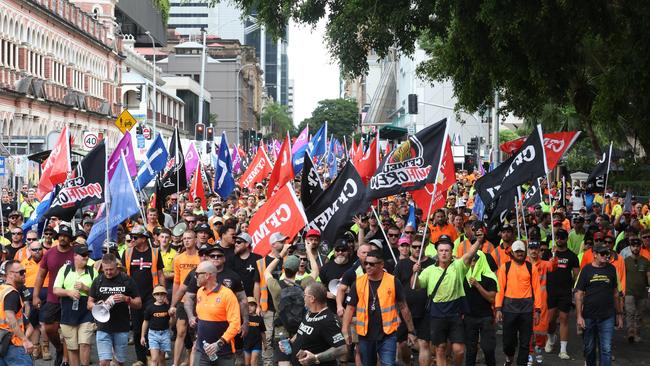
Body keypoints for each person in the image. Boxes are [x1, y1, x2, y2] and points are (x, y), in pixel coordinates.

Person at [414, 232, 482, 366]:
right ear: (437, 253)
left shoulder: (457, 266)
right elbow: (416, 286)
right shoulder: (429, 270)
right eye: (441, 250)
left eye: (447, 250)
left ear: (451, 252)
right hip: (436, 314)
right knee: (440, 349)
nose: (444, 253)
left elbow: (469, 255)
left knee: (459, 350)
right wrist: (414, 272)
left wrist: (479, 241)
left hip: (454, 314)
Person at [343, 250, 417, 366]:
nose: (367, 266)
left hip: (387, 335)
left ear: (381, 265)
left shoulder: (393, 281)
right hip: (365, 336)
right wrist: (345, 329)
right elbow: (350, 308)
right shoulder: (358, 283)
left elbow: (404, 307)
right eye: (366, 263)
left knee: (388, 364)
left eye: (372, 264)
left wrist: (411, 331)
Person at [264, 242, 320, 365]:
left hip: (281, 330)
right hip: (300, 330)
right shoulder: (304, 284)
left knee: (283, 362)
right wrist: (309, 250)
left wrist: (282, 253)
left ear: (284, 267)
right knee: (299, 361)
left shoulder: (276, 286)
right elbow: (315, 271)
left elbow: (267, 271)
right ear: (297, 269)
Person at [575, 241, 623, 366]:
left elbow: (616, 293)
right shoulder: (586, 270)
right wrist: (579, 316)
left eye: (607, 253)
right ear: (594, 254)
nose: (605, 256)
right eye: (602, 253)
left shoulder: (612, 269)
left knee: (606, 349)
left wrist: (619, 314)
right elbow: (578, 294)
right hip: (589, 316)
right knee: (589, 349)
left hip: (607, 316)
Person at [88, 253, 142, 366]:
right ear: (102, 267)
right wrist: (97, 305)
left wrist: (126, 299)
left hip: (121, 327)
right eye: (105, 269)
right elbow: (89, 304)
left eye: (111, 269)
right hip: (103, 327)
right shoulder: (98, 281)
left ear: (116, 266)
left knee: (119, 362)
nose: (108, 272)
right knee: (103, 362)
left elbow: (138, 304)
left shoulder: (126, 280)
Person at [33, 224, 75, 366]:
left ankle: (67, 359)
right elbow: (40, 276)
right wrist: (35, 295)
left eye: (66, 236)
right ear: (57, 237)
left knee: (69, 330)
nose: (63, 238)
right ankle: (59, 349)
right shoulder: (49, 253)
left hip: (71, 298)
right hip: (53, 297)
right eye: (61, 235)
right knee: (49, 328)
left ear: (70, 239)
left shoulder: (76, 253)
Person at [122, 225, 164, 366]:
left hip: (151, 295)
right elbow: (123, 274)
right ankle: (140, 358)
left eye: (135, 237)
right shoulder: (127, 253)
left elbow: (160, 273)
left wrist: (162, 292)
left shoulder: (155, 252)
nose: (132, 239)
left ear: (144, 238)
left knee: (151, 328)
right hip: (134, 296)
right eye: (131, 237)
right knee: (137, 327)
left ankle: (149, 356)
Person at [496, 240, 542, 366]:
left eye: (522, 251)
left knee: (525, 342)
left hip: (526, 310)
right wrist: (498, 309)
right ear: (512, 253)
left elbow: (537, 290)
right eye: (517, 251)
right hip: (509, 309)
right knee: (508, 342)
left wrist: (537, 310)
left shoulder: (530, 267)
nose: (520, 254)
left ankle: (521, 363)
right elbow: (499, 289)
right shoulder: (505, 267)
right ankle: (509, 358)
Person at [52, 244, 98, 366]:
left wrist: (85, 288)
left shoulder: (93, 271)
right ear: (75, 256)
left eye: (87, 255)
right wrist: (68, 292)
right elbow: (55, 290)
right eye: (83, 255)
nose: (86, 257)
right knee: (72, 347)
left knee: (85, 343)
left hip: (86, 312)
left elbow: (98, 293)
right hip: (68, 311)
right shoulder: (65, 269)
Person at [282, 282, 347, 365]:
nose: (303, 297)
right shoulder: (310, 313)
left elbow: (342, 348)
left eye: (304, 295)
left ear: (312, 299)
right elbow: (302, 330)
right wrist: (290, 342)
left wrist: (316, 358)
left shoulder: (328, 320)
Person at [393, 235, 434, 366]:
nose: (417, 249)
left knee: (424, 343)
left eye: (419, 246)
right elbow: (394, 288)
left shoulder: (432, 264)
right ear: (410, 247)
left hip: (425, 310)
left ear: (425, 246)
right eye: (414, 246)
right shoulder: (401, 264)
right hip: (404, 311)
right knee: (402, 344)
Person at [195, 261, 241, 365]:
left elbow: (235, 324)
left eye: (197, 274)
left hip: (224, 353)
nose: (195, 277)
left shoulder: (227, 295)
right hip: (202, 352)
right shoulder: (200, 292)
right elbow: (201, 319)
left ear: (207, 275)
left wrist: (218, 344)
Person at [545, 229, 580, 360]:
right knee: (550, 320)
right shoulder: (549, 253)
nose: (559, 239)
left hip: (565, 292)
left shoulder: (572, 256)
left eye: (562, 237)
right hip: (550, 291)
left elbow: (577, 275)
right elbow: (542, 268)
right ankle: (551, 338)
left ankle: (563, 350)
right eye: (558, 237)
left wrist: (574, 289)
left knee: (564, 319)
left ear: (566, 239)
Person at [170, 228, 200, 366]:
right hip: (182, 300)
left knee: (196, 334)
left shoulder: (201, 257)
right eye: (184, 238)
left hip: (198, 300)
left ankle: (193, 362)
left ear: (195, 240)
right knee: (180, 331)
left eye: (189, 238)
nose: (186, 240)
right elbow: (177, 283)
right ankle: (175, 363)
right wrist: (173, 304)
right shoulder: (178, 258)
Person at [464, 251, 499, 366]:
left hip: (486, 317)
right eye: (471, 261)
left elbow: (491, 298)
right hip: (469, 317)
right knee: (470, 350)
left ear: (481, 261)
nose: (472, 264)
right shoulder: (465, 275)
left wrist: (478, 285)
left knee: (488, 349)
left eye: (474, 260)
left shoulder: (489, 277)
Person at [0, 260, 34, 365]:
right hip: (13, 345)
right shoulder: (12, 293)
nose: (24, 274)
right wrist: (25, 340)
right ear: (10, 274)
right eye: (21, 272)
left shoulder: (2, 290)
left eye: (24, 272)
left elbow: (29, 325)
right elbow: (10, 317)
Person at [623, 237, 650, 343]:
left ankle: (636, 332)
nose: (635, 248)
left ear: (640, 247)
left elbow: (649, 276)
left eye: (637, 246)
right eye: (633, 246)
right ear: (630, 247)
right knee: (630, 312)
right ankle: (630, 332)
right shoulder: (625, 261)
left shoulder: (646, 261)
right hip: (629, 291)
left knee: (639, 314)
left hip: (642, 292)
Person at [141, 285, 171, 366]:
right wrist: (143, 336)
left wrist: (172, 316)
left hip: (165, 333)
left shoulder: (167, 307)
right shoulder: (150, 308)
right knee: (154, 358)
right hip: (153, 334)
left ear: (165, 295)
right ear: (154, 295)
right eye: (157, 294)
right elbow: (145, 322)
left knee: (162, 359)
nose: (160, 296)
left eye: (162, 294)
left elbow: (171, 323)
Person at [243, 297, 265, 366]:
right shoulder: (244, 318)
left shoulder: (259, 318)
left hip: (257, 343)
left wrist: (265, 343)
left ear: (256, 307)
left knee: (253, 362)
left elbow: (262, 332)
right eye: (247, 306)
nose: (249, 307)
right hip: (246, 343)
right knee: (247, 363)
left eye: (252, 305)